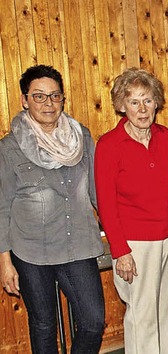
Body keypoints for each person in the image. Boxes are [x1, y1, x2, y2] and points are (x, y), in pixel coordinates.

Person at [0, 65, 105, 353]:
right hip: (31, 251)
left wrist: (120, 236)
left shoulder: (81, 137)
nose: (48, 103)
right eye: (39, 97)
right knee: (44, 325)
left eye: (55, 96)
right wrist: (4, 261)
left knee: (94, 321)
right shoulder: (9, 148)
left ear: (63, 98)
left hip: (78, 245)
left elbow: (98, 191)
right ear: (25, 100)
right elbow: (2, 207)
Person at [95, 68, 168, 353]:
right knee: (141, 317)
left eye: (147, 100)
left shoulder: (166, 137)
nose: (142, 109)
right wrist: (120, 251)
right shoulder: (109, 145)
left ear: (157, 102)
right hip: (134, 244)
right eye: (134, 102)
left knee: (164, 312)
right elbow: (105, 204)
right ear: (122, 106)